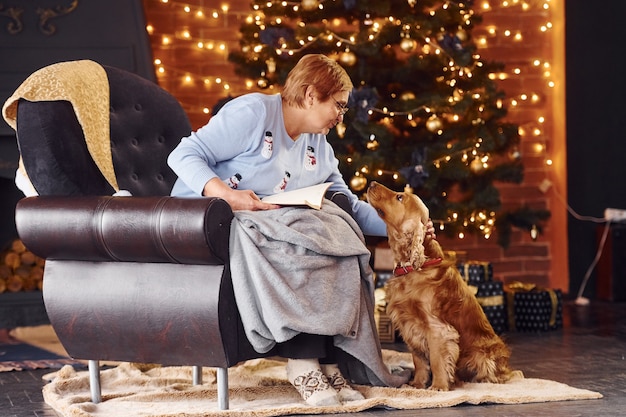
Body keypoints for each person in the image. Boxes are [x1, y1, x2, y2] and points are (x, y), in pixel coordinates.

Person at [168, 54, 430, 406]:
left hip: (266, 218)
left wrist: (409, 226)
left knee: (340, 235)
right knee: (302, 239)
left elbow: (350, 206)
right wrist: (229, 196)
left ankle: (328, 361)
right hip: (205, 215)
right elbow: (183, 154)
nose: (341, 116)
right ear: (310, 96)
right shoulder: (253, 114)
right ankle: (302, 363)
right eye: (337, 105)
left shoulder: (317, 143)